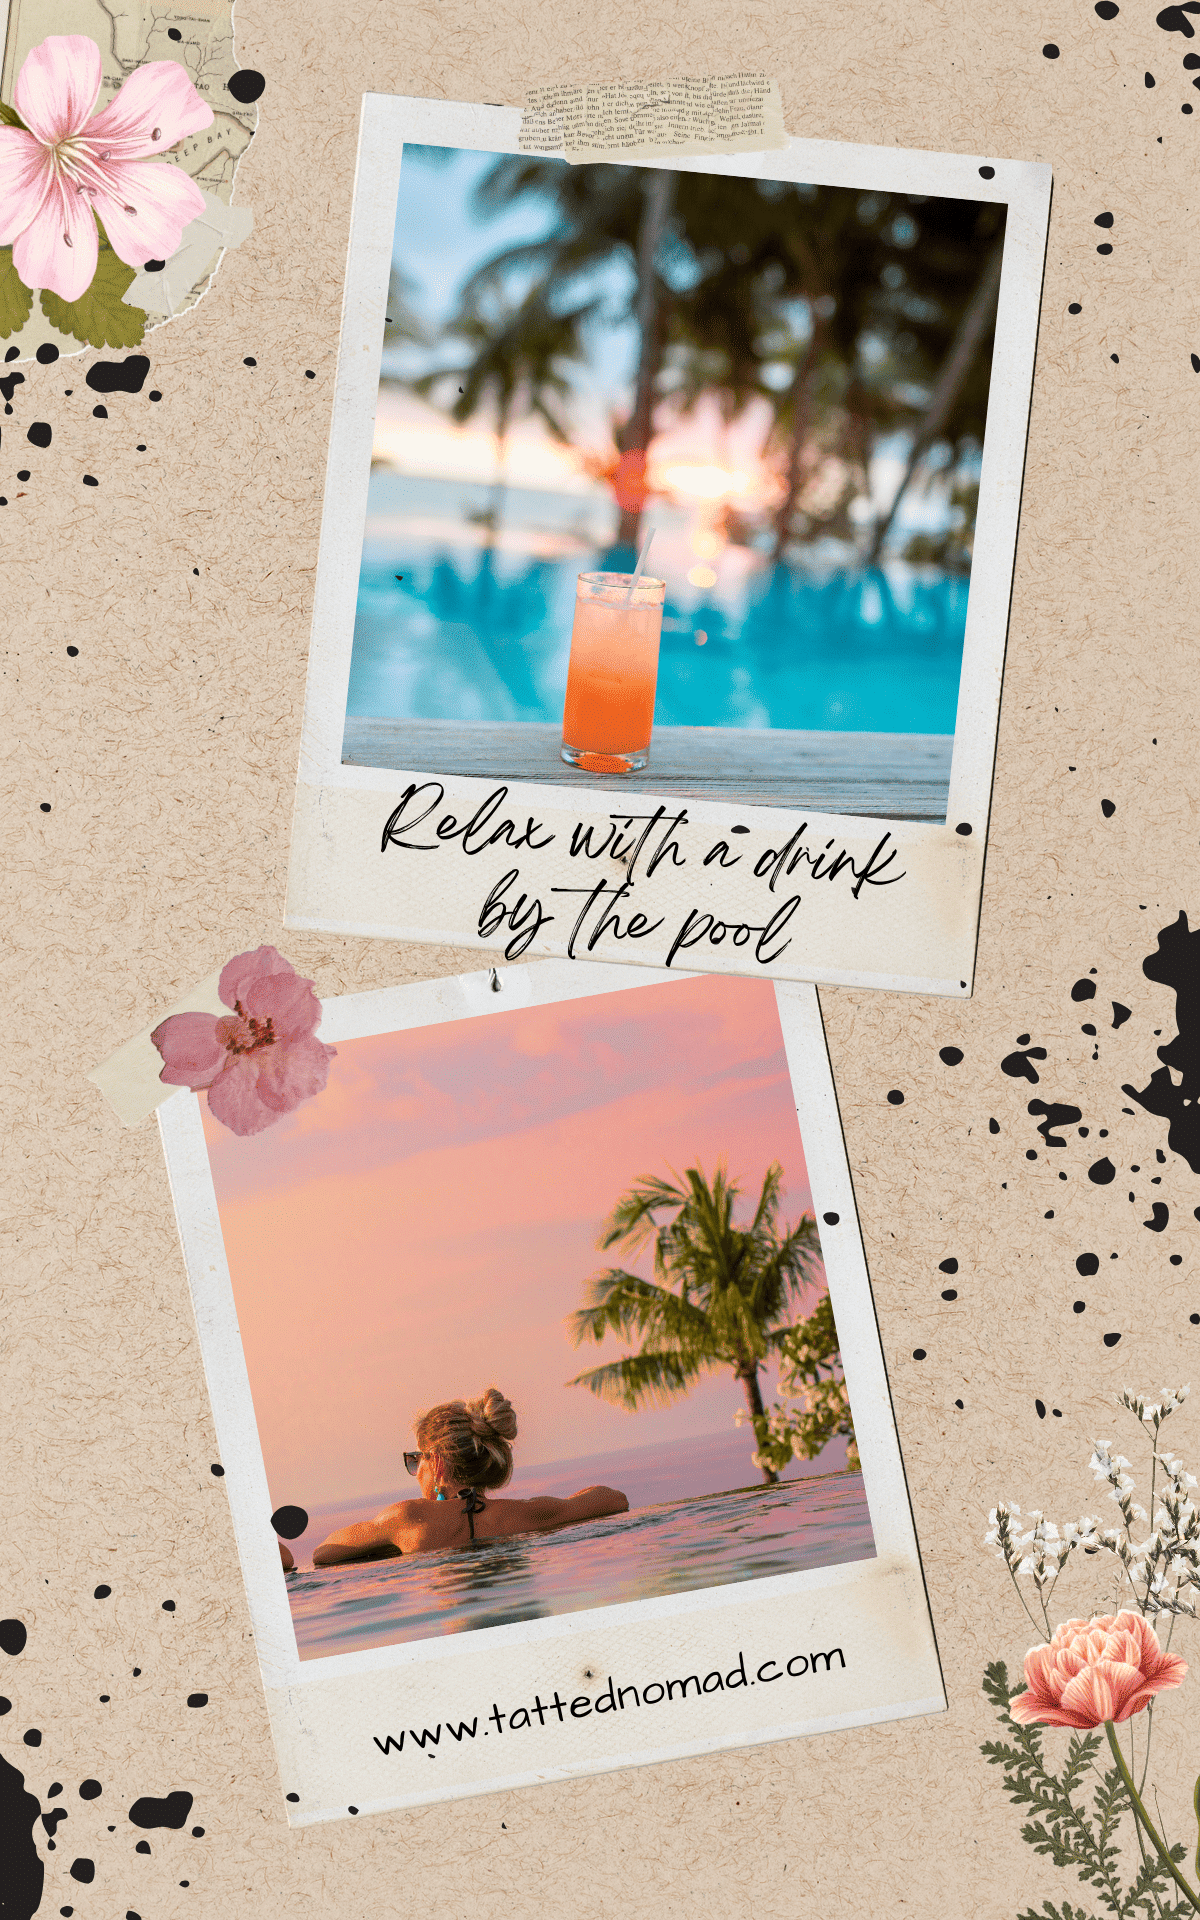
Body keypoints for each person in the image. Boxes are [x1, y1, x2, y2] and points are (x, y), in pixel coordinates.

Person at [312, 1388, 628, 1568]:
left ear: (436, 1462)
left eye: (416, 1459)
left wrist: (390, 1545)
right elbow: (614, 1498)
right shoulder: (525, 1513)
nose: (415, 1471)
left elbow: (324, 1552)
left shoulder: (406, 1520)